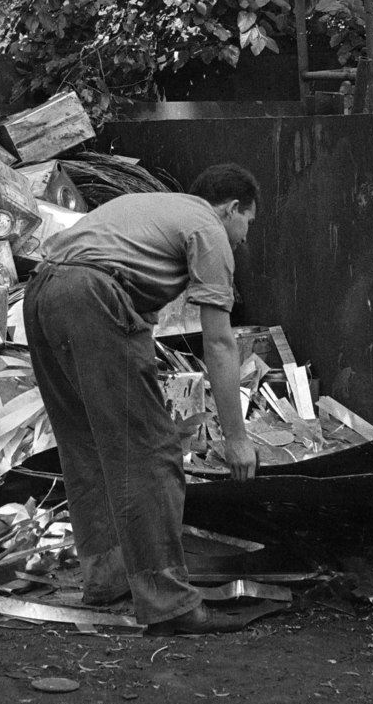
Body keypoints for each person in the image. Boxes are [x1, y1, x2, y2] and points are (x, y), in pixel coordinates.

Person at [23, 162, 262, 635]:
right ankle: (169, 603)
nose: (243, 239)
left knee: (87, 443)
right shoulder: (208, 229)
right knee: (151, 450)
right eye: (247, 224)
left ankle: (107, 579)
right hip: (90, 295)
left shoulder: (148, 209)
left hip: (40, 292)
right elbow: (218, 342)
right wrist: (237, 438)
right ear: (232, 208)